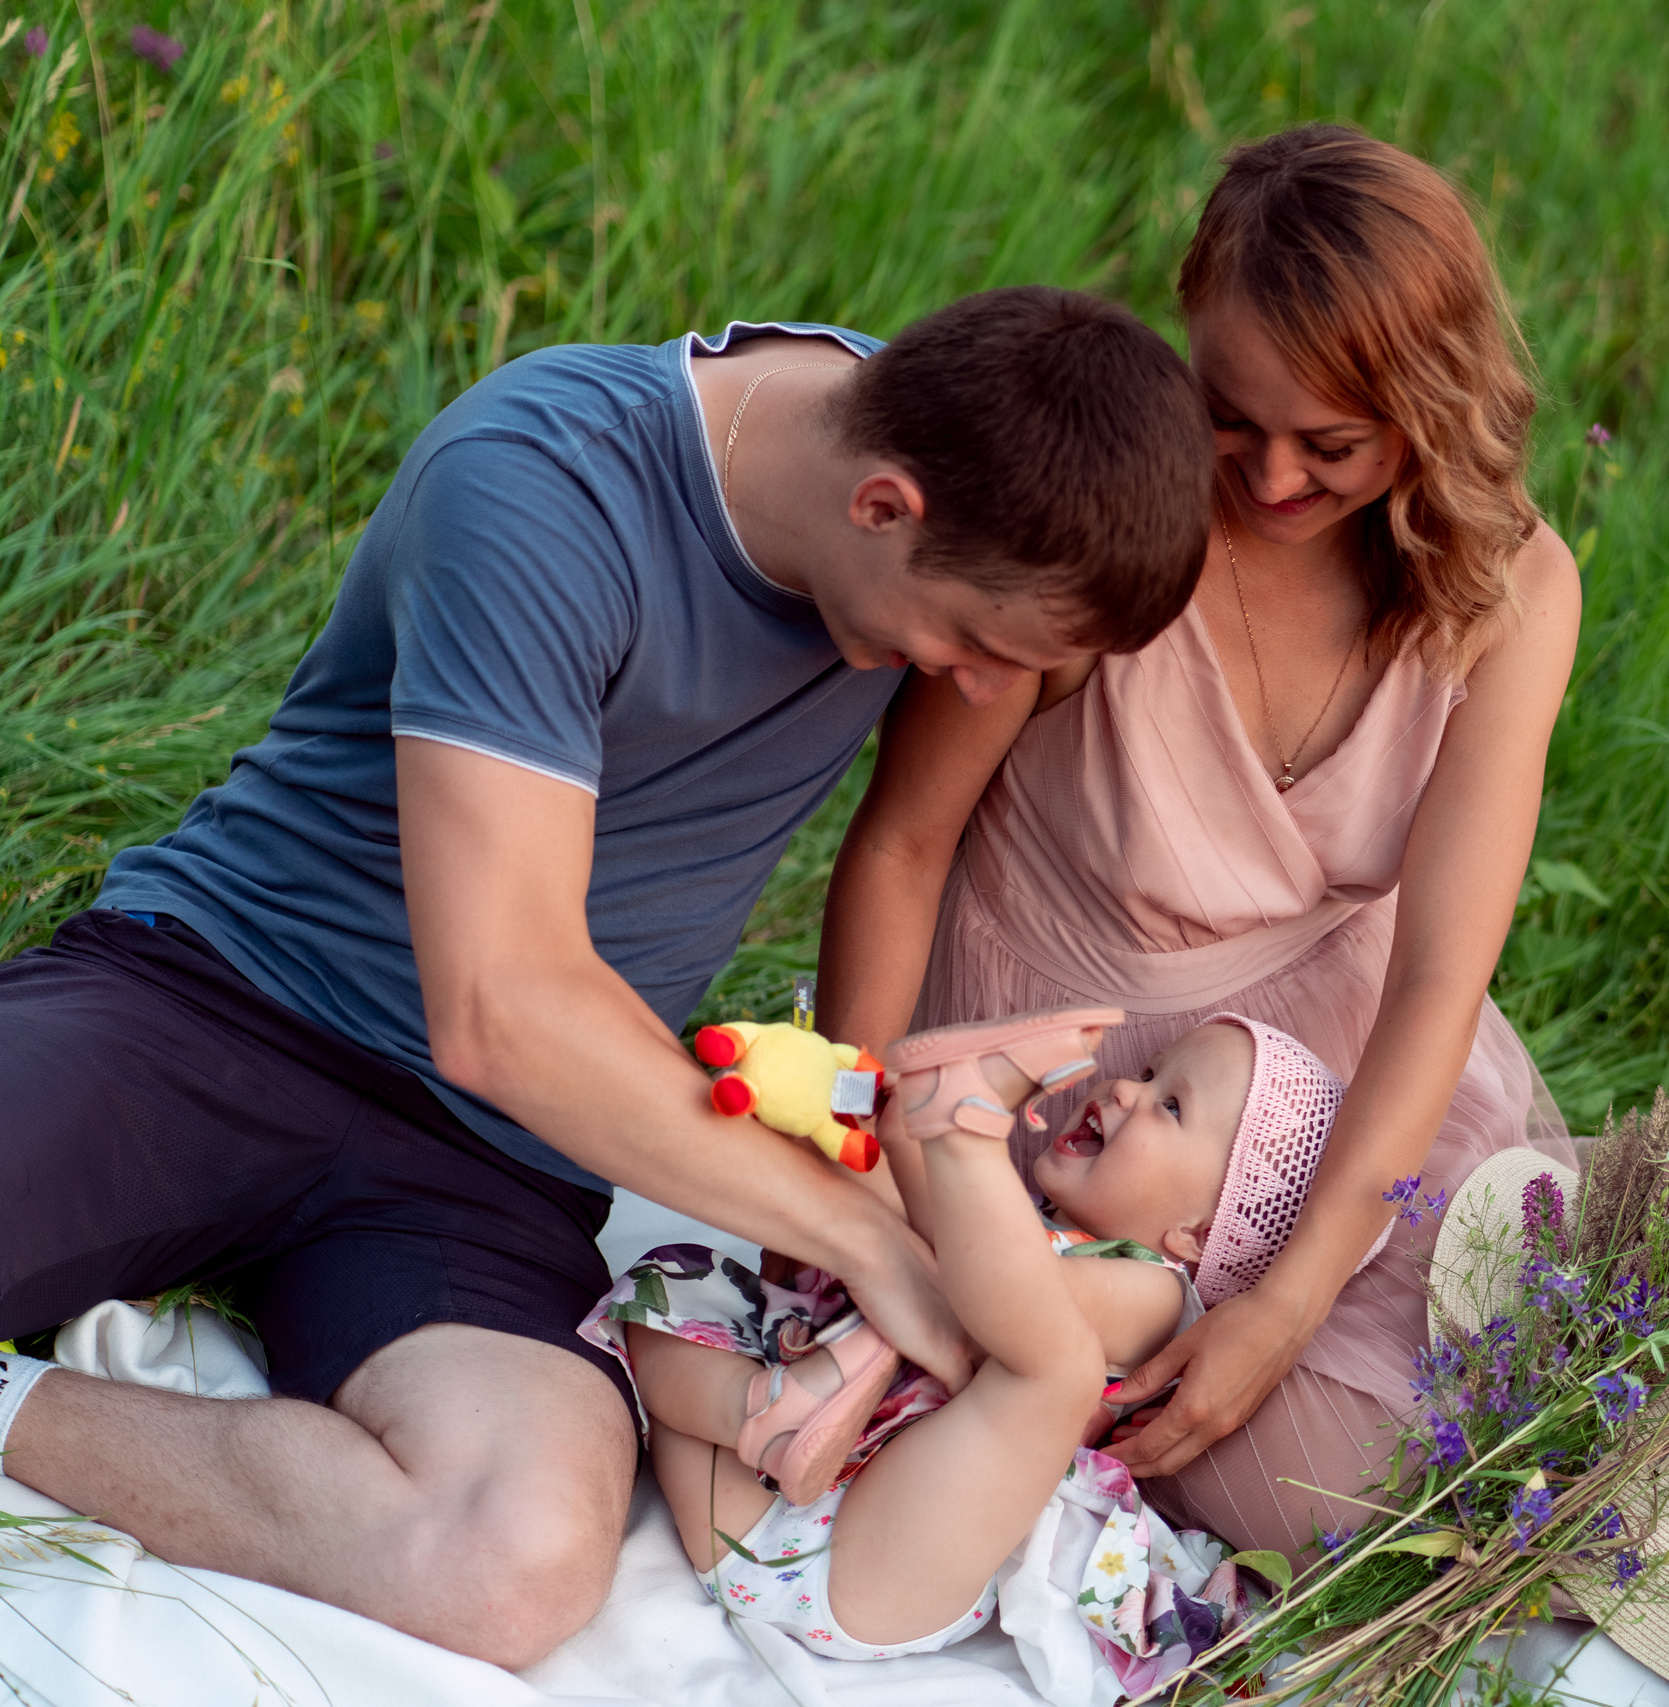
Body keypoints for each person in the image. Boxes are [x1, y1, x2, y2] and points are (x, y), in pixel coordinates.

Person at [0, 287, 1214, 1666]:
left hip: (503, 1158)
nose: (987, 691)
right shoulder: (545, 484)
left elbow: (906, 844)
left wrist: (868, 1146)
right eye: (982, 649)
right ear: (884, 504)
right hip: (225, 1001)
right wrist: (867, 1238)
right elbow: (502, 1008)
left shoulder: (982, 510)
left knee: (506, 1558)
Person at [814, 125, 1583, 1561]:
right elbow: (902, 845)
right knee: (1312, 1488)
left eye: (1336, 443)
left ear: (1432, 406)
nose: (1274, 479)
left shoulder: (1511, 587)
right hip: (1072, 1067)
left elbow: (1437, 973)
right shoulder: (1116, 519)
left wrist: (1288, 1296)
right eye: (1233, 416)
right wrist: (857, 1159)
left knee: (1529, 1377)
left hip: (1336, 1066)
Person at [587, 1009, 1358, 1685]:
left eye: (1170, 1104)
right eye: (1148, 1071)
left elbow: (992, 1297)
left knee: (1058, 1369)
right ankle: (762, 1407)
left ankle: (952, 1131)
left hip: (881, 1562)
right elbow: (910, 1244)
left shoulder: (1155, 1294)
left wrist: (954, 1153)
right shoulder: (1010, 1212)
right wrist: (851, 1125)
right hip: (743, 1501)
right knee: (672, 1276)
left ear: (1194, 1232)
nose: (1124, 1088)